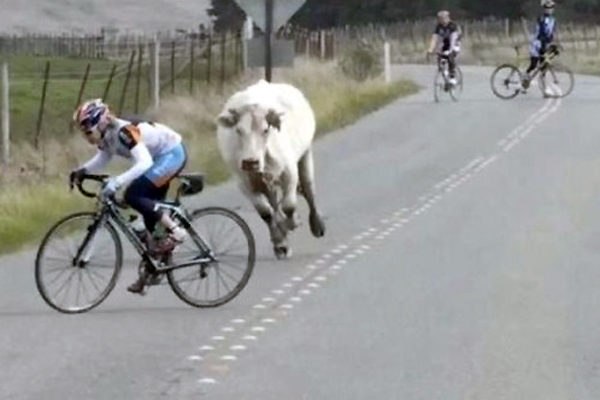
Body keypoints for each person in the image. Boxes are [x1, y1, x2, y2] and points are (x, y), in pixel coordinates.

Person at [70, 98, 188, 293]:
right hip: (158, 159)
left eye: (88, 132)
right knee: (148, 214)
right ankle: (156, 266)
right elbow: (104, 157)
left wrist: (117, 181)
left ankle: (176, 231)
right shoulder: (106, 134)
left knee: (133, 195)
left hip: (171, 154)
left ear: (99, 123)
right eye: (84, 133)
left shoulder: (124, 132)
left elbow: (144, 163)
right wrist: (82, 170)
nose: (87, 137)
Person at [522, 0, 557, 93]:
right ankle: (524, 81)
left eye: (551, 8)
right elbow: (542, 33)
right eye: (547, 8)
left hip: (545, 44)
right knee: (533, 64)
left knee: (544, 67)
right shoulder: (541, 18)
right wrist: (544, 44)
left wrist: (554, 44)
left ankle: (544, 89)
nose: (549, 10)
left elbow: (552, 33)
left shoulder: (553, 20)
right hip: (537, 44)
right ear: (544, 9)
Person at [427, 10, 461, 86]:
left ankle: (452, 77)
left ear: (447, 18)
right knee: (440, 58)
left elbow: (453, 38)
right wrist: (430, 49)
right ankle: (445, 75)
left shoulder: (453, 26)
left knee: (450, 56)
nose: (441, 20)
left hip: (455, 43)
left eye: (443, 18)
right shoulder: (439, 27)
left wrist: (450, 50)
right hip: (446, 44)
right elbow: (434, 38)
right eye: (440, 18)